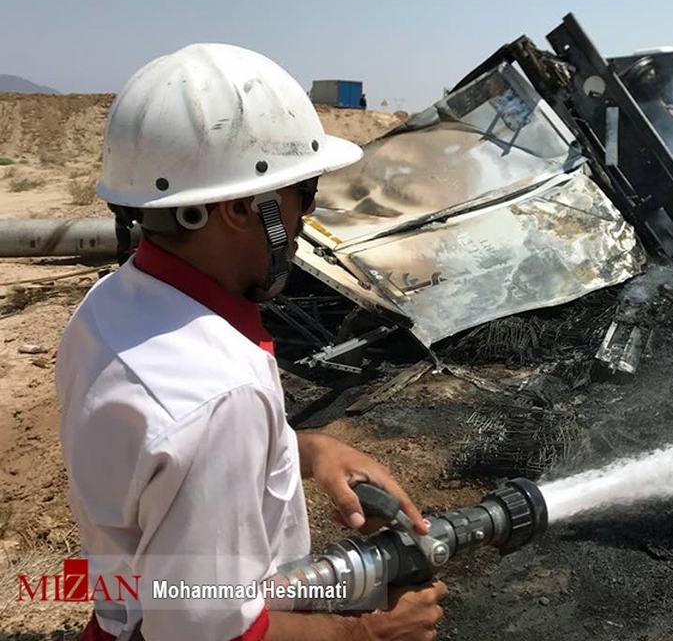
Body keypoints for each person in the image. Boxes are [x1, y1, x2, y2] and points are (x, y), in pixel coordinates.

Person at [54, 43, 448, 641]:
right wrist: (369, 633)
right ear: (243, 208)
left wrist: (302, 449)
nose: (303, 221)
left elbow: (159, 465)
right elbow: (206, 632)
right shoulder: (219, 396)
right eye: (303, 196)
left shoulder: (111, 307)